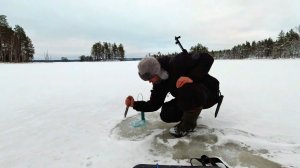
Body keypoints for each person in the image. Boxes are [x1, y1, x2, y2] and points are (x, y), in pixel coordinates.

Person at [125, 52, 220, 137]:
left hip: (209, 93)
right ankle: (192, 114)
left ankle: (187, 126)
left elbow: (207, 58)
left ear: (157, 71)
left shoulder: (177, 62)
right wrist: (135, 104)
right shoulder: (159, 82)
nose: (149, 81)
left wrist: (191, 77)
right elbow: (154, 104)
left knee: (185, 86)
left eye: (150, 78)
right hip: (191, 97)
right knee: (166, 113)